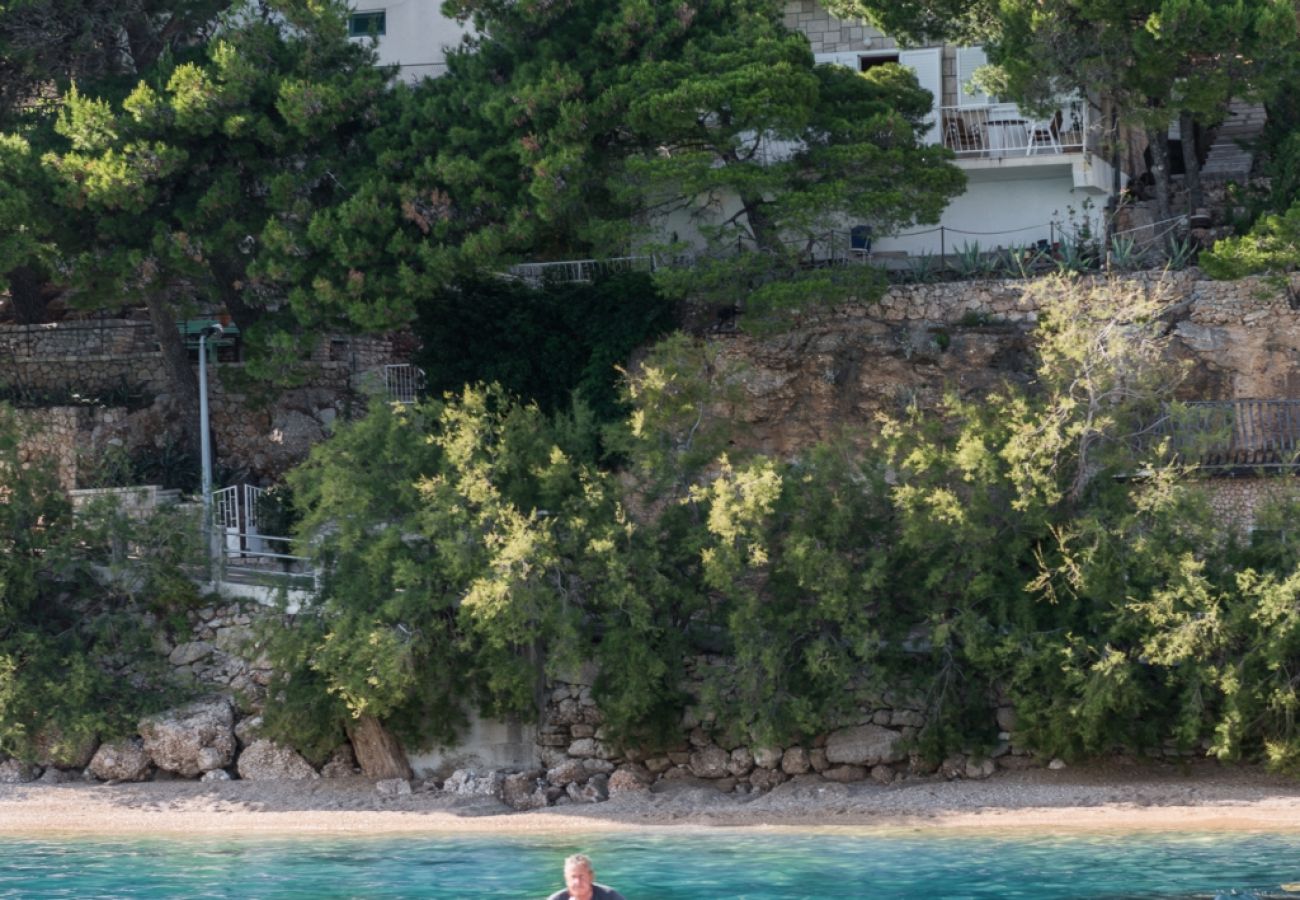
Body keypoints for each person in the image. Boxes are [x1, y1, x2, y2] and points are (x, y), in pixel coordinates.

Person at [546, 854, 626, 900]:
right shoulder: (555, 899)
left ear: (591, 877)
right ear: (566, 879)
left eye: (581, 876)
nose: (577, 882)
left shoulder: (610, 896)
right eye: (573, 877)